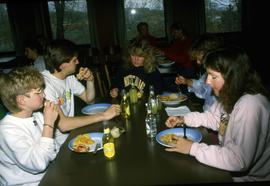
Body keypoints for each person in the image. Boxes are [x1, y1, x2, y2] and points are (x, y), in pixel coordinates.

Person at [165, 46, 270, 182]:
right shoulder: (229, 94)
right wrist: (183, 118)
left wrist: (193, 148)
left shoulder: (251, 105)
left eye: (213, 76)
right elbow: (213, 118)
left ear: (233, 77)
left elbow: (239, 160)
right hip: (229, 168)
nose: (207, 82)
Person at [42, 39, 121, 146]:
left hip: (73, 133)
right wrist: (103, 115)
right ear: (62, 65)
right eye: (74, 60)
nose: (78, 62)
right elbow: (63, 125)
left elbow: (90, 100)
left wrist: (90, 80)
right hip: (58, 146)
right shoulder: (45, 85)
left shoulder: (67, 76)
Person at [0, 67, 59, 185]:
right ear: (21, 100)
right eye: (38, 92)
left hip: (49, 175)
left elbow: (52, 151)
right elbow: (38, 164)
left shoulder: (37, 115)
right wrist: (48, 124)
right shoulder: (7, 130)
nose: (44, 94)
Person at [175, 34, 223, 111]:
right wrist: (186, 81)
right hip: (207, 116)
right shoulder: (208, 73)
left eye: (200, 59)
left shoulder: (223, 76)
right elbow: (203, 89)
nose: (198, 62)